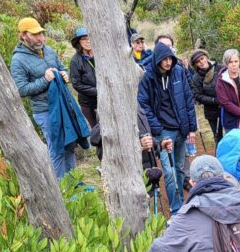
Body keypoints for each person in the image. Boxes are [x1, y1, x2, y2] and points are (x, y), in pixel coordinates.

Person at [9, 17, 75, 178]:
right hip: (45, 111)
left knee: (70, 144)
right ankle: (62, 190)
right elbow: (21, 89)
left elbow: (61, 67)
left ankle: (75, 185)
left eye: (41, 34)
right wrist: (45, 80)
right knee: (57, 149)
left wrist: (65, 74)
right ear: (23, 35)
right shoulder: (18, 60)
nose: (40, 38)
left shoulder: (48, 50)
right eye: (35, 34)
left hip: (63, 106)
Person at [137, 42, 198, 213]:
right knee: (169, 172)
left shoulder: (178, 71)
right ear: (157, 59)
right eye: (164, 59)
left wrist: (191, 128)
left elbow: (188, 100)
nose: (168, 62)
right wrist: (157, 129)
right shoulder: (148, 77)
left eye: (170, 58)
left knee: (179, 168)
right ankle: (176, 209)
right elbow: (143, 105)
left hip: (181, 129)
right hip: (164, 132)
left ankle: (181, 203)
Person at [88, 106, 164, 204]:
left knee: (144, 213)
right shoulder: (109, 107)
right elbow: (97, 141)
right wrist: (137, 144)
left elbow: (144, 135)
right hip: (126, 182)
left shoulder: (136, 104)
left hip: (143, 177)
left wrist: (158, 144)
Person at [190, 50, 223, 142]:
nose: (201, 62)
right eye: (198, 61)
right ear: (195, 64)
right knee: (218, 137)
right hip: (212, 111)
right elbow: (198, 95)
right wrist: (214, 100)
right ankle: (219, 156)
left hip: (227, 108)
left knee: (232, 134)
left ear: (206, 57)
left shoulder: (220, 68)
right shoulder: (196, 78)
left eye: (202, 58)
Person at [69, 27, 98, 130]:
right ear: (78, 42)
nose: (88, 41)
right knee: (96, 130)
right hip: (88, 103)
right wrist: (97, 91)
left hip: (104, 99)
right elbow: (76, 84)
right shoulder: (75, 61)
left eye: (90, 37)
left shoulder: (100, 55)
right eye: (84, 39)